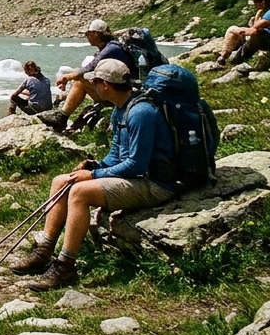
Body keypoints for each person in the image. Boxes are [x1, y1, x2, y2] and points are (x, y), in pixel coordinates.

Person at [9, 58, 176, 291]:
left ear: (104, 85)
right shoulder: (122, 109)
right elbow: (117, 154)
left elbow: (136, 164)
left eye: (95, 83)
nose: (93, 87)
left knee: (79, 192)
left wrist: (95, 175)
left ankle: (65, 266)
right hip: (137, 177)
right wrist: (94, 165)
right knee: (61, 181)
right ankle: (44, 251)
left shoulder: (140, 112)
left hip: (155, 183)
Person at [55, 19, 138, 126]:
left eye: (87, 33)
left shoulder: (112, 48)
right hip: (123, 89)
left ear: (96, 34)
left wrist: (66, 77)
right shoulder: (108, 47)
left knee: (80, 81)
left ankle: (62, 117)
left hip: (126, 93)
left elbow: (89, 67)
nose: (86, 36)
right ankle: (63, 118)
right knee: (82, 79)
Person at [217, 0, 270, 66]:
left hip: (260, 38)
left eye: (255, 3)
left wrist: (257, 17)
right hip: (259, 36)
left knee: (232, 29)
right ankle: (224, 56)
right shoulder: (269, 10)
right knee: (233, 30)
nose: (254, 5)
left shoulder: (267, 13)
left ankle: (223, 56)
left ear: (262, 2)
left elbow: (257, 29)